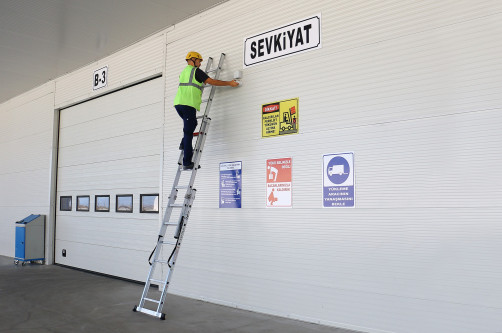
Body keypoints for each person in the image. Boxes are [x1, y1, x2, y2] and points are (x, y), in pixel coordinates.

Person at [174, 51, 239, 170]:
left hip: (179, 104)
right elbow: (211, 82)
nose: (200, 64)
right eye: (199, 61)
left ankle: (183, 144)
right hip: (188, 104)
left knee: (192, 124)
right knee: (188, 132)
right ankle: (187, 162)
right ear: (193, 60)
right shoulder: (195, 71)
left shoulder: (183, 72)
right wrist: (229, 83)